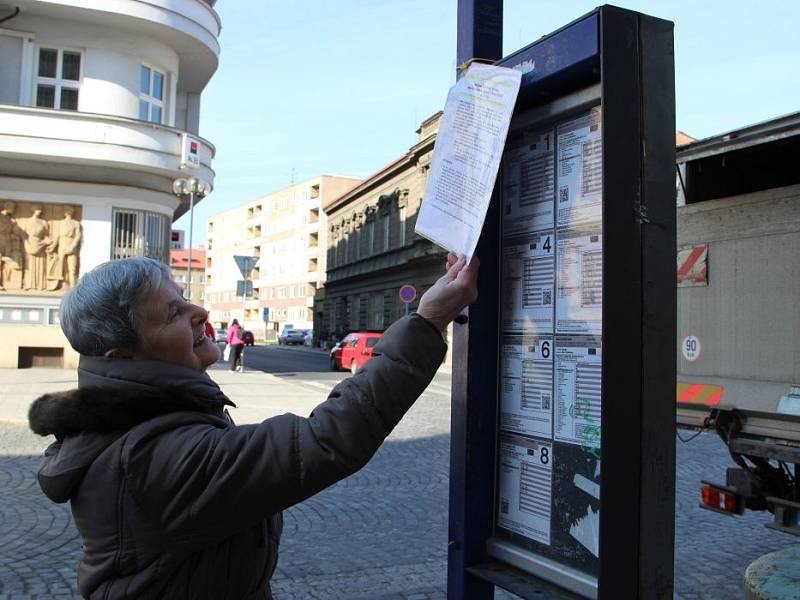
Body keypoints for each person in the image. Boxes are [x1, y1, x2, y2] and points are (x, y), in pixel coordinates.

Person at [28, 253, 478, 599]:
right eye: (172, 313)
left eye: (185, 299)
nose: (199, 311)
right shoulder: (149, 454)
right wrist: (427, 321)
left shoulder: (138, 416)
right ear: (122, 355)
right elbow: (322, 441)